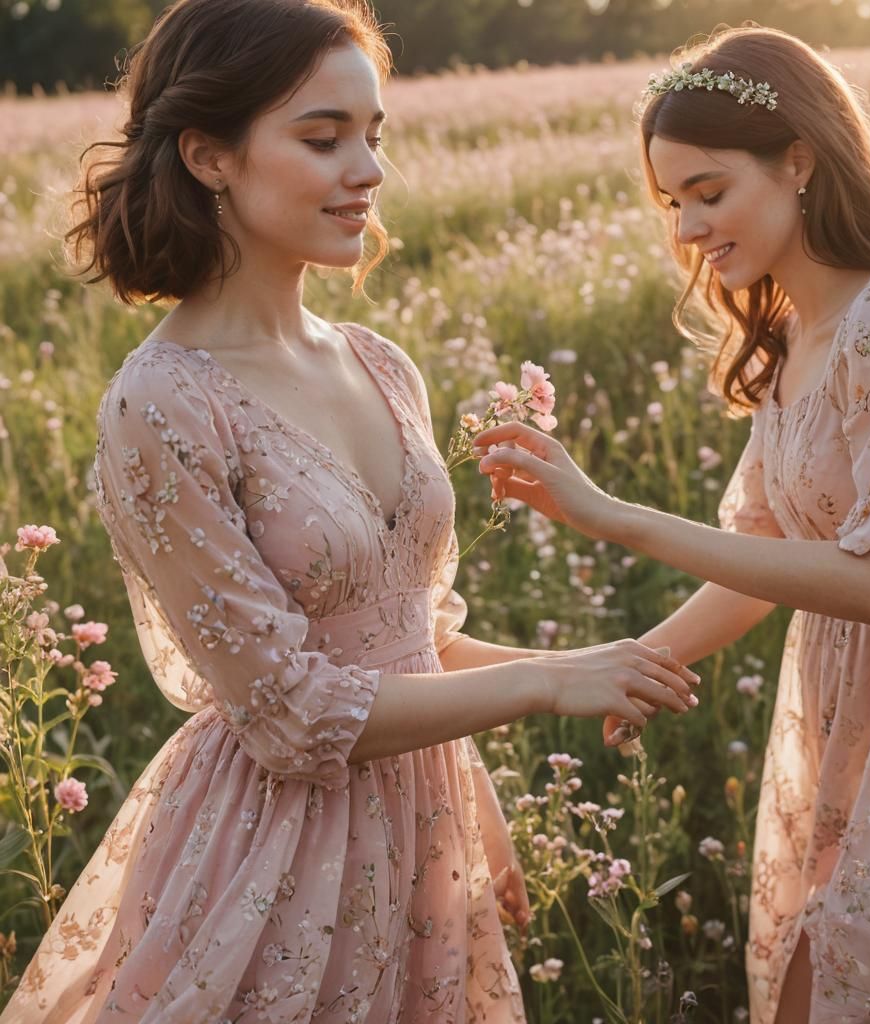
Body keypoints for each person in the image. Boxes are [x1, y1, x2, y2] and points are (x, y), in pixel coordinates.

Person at [0, 2, 701, 1021]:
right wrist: (552, 682)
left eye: (373, 136)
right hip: (277, 851)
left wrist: (496, 791)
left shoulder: (381, 363)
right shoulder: (162, 403)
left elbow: (418, 637)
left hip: (424, 833)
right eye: (323, 138)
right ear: (208, 156)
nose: (366, 169)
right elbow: (288, 712)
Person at [475, 24, 870, 1024]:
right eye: (672, 201)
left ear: (799, 160)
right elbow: (761, 562)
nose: (686, 230)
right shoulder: (789, 341)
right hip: (838, 699)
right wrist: (636, 659)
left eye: (708, 192)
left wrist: (617, 518)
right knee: (825, 969)